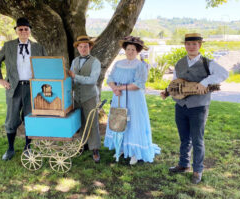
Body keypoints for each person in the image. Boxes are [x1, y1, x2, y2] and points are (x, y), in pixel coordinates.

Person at [160, 33, 228, 184]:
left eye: (194, 44)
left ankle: (197, 170)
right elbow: (175, 82)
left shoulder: (207, 63)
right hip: (181, 106)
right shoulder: (179, 63)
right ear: (185, 45)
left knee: (197, 140)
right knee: (184, 138)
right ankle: (184, 165)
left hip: (199, 107)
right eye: (188, 44)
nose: (191, 47)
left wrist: (205, 82)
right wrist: (166, 91)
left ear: (199, 46)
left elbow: (224, 73)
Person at [0, 17, 48, 161]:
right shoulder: (8, 46)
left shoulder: (38, 47)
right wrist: (0, 79)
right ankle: (10, 149)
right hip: (14, 88)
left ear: (30, 31)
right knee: (11, 120)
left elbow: (45, 66)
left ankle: (28, 148)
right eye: (20, 29)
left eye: (26, 29)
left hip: (32, 89)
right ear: (16, 31)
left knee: (30, 119)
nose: (23, 31)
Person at [104, 36, 161, 165]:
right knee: (120, 120)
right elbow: (110, 78)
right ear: (125, 50)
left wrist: (121, 87)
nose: (130, 51)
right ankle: (123, 147)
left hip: (134, 98)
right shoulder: (118, 64)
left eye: (133, 49)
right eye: (128, 49)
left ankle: (135, 151)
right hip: (119, 96)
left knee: (134, 122)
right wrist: (114, 88)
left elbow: (138, 84)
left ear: (138, 51)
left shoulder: (140, 65)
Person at [68, 35, 101, 163]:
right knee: (80, 121)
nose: (83, 49)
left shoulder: (95, 62)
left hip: (90, 96)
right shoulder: (74, 61)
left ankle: (95, 149)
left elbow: (92, 80)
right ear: (78, 48)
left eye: (85, 46)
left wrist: (75, 76)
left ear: (90, 47)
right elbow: (71, 78)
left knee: (92, 122)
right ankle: (83, 144)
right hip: (77, 97)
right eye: (80, 47)